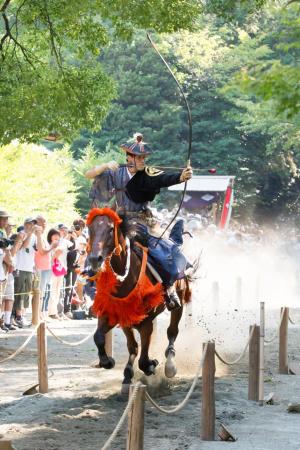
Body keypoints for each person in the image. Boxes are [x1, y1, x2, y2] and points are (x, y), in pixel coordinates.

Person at [85, 132, 192, 309]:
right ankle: (93, 286)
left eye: (144, 157)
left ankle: (169, 288)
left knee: (160, 251)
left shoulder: (148, 173)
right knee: (99, 244)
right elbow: (88, 174)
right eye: (139, 157)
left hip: (143, 222)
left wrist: (181, 176)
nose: (143, 160)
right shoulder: (115, 172)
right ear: (129, 158)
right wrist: (103, 166)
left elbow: (164, 178)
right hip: (120, 220)